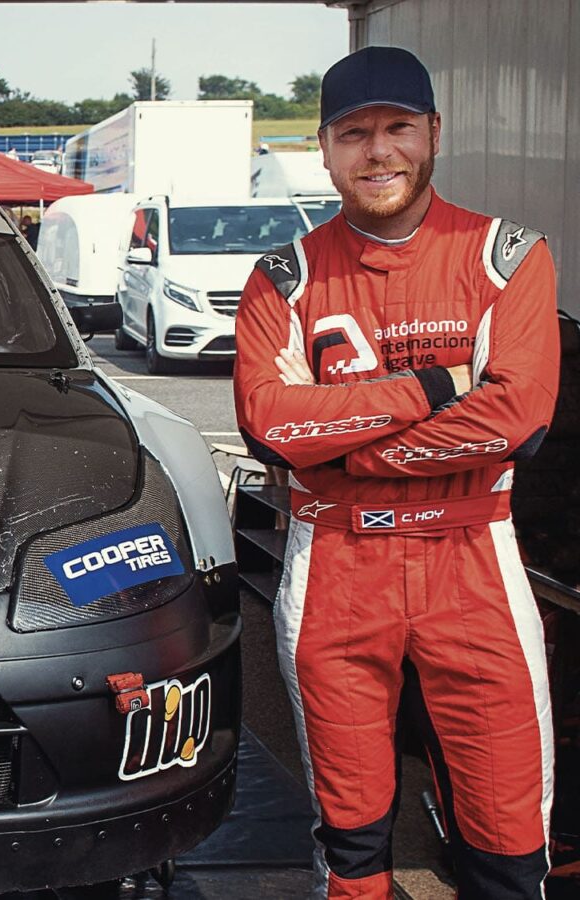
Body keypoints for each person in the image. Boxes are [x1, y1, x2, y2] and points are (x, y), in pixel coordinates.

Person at [233, 47, 558, 900]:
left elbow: (517, 420)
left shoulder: (509, 258)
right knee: (353, 841)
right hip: (336, 569)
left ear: (433, 134)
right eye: (355, 134)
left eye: (397, 129)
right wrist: (435, 387)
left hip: (474, 565)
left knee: (510, 835)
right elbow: (270, 422)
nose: (378, 153)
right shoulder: (282, 279)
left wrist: (348, 448)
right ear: (327, 148)